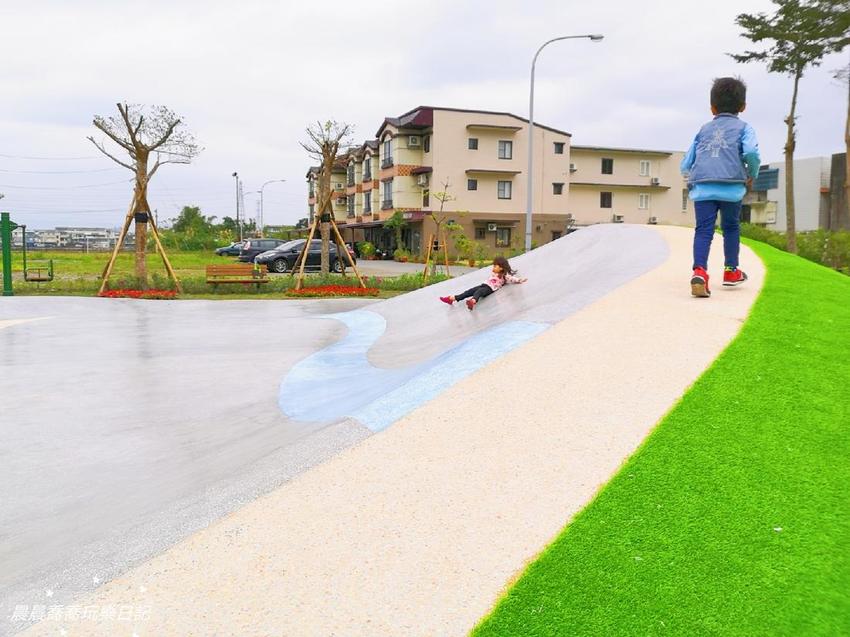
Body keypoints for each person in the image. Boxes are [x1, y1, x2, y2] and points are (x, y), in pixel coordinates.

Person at [681, 76, 760, 298]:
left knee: (703, 230)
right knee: (731, 227)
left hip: (703, 186)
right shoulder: (745, 128)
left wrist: (688, 173)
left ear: (712, 108)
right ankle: (731, 271)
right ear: (743, 106)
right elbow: (751, 152)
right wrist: (751, 173)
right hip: (731, 187)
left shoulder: (703, 130)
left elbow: (687, 161)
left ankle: (699, 272)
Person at [439, 256, 527, 311]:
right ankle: (452, 298)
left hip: (489, 289)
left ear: (501, 268)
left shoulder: (504, 276)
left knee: (479, 292)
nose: (493, 267)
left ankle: (472, 301)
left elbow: (511, 278)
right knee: (469, 291)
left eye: (495, 266)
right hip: (483, 285)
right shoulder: (495, 273)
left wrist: (520, 280)